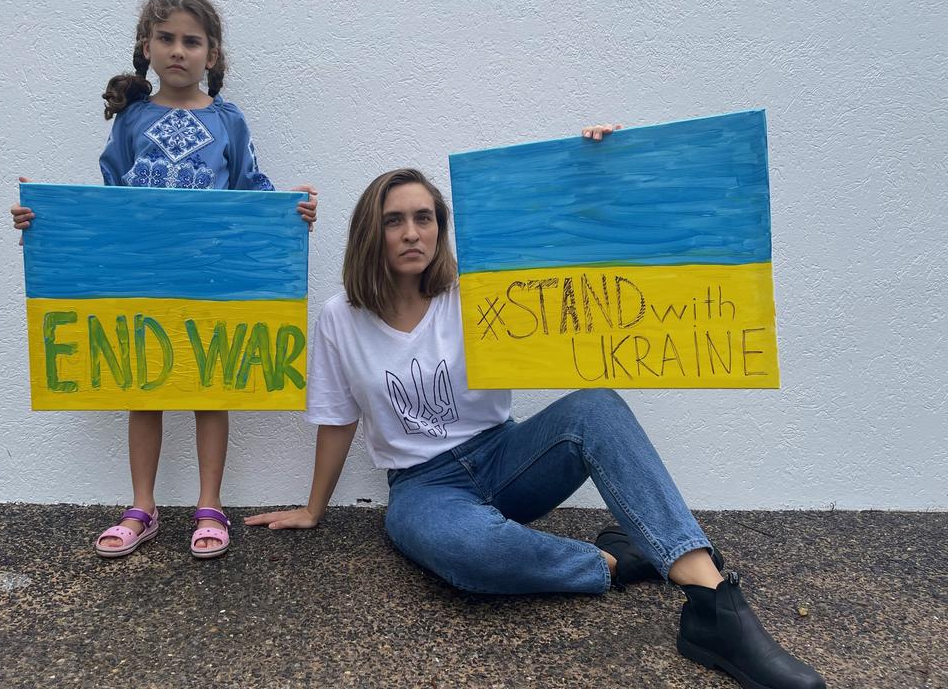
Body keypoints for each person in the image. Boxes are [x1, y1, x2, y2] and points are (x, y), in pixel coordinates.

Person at [246, 144, 825, 689]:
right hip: (423, 487)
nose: (411, 232)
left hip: (505, 456)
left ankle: (713, 602)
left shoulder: (475, 290)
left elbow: (576, 246)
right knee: (466, 552)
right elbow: (337, 416)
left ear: (441, 228)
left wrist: (601, 164)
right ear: (371, 231)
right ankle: (616, 559)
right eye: (395, 220)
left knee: (595, 405)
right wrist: (313, 508)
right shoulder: (340, 317)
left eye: (425, 217)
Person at [10, 0, 318, 560]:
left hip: (211, 280)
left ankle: (209, 505)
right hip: (143, 279)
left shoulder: (230, 120)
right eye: (167, 38)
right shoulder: (132, 119)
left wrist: (290, 210)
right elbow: (108, 201)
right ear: (146, 47)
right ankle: (142, 507)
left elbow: (252, 188)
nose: (179, 50)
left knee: (210, 388)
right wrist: (47, 220)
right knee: (142, 388)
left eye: (192, 41)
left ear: (213, 53)